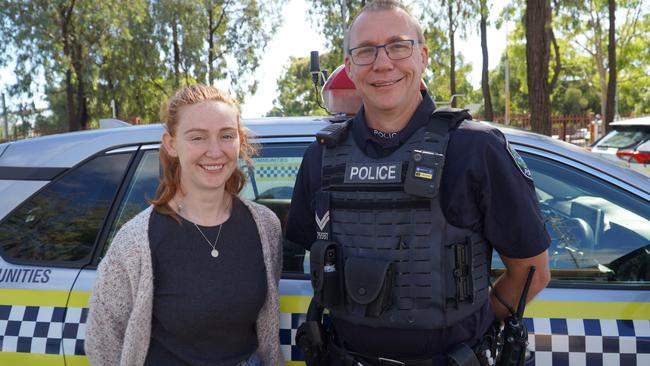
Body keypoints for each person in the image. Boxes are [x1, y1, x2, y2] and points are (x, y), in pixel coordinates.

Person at [286, 1, 551, 365]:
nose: (382, 63)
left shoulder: (476, 149)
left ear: (423, 56)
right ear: (349, 66)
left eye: (398, 46)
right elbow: (296, 259)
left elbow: (531, 272)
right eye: (365, 51)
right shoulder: (320, 157)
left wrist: (468, 325)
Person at [85, 84, 283, 366]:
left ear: (239, 140)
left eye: (226, 136)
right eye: (198, 138)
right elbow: (103, 343)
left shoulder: (265, 227)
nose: (215, 151)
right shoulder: (135, 242)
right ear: (171, 144)